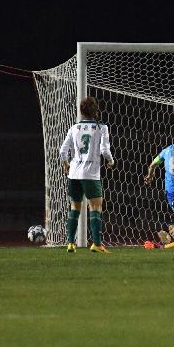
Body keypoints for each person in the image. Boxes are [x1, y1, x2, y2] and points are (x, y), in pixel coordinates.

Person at [59, 96, 115, 253]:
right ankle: (96, 243)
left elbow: (62, 151)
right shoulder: (101, 127)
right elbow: (104, 150)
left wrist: (66, 165)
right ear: (95, 110)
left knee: (74, 207)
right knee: (95, 207)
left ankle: (70, 243)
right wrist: (110, 161)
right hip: (90, 173)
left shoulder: (74, 128)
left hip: (74, 173)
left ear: (81, 111)